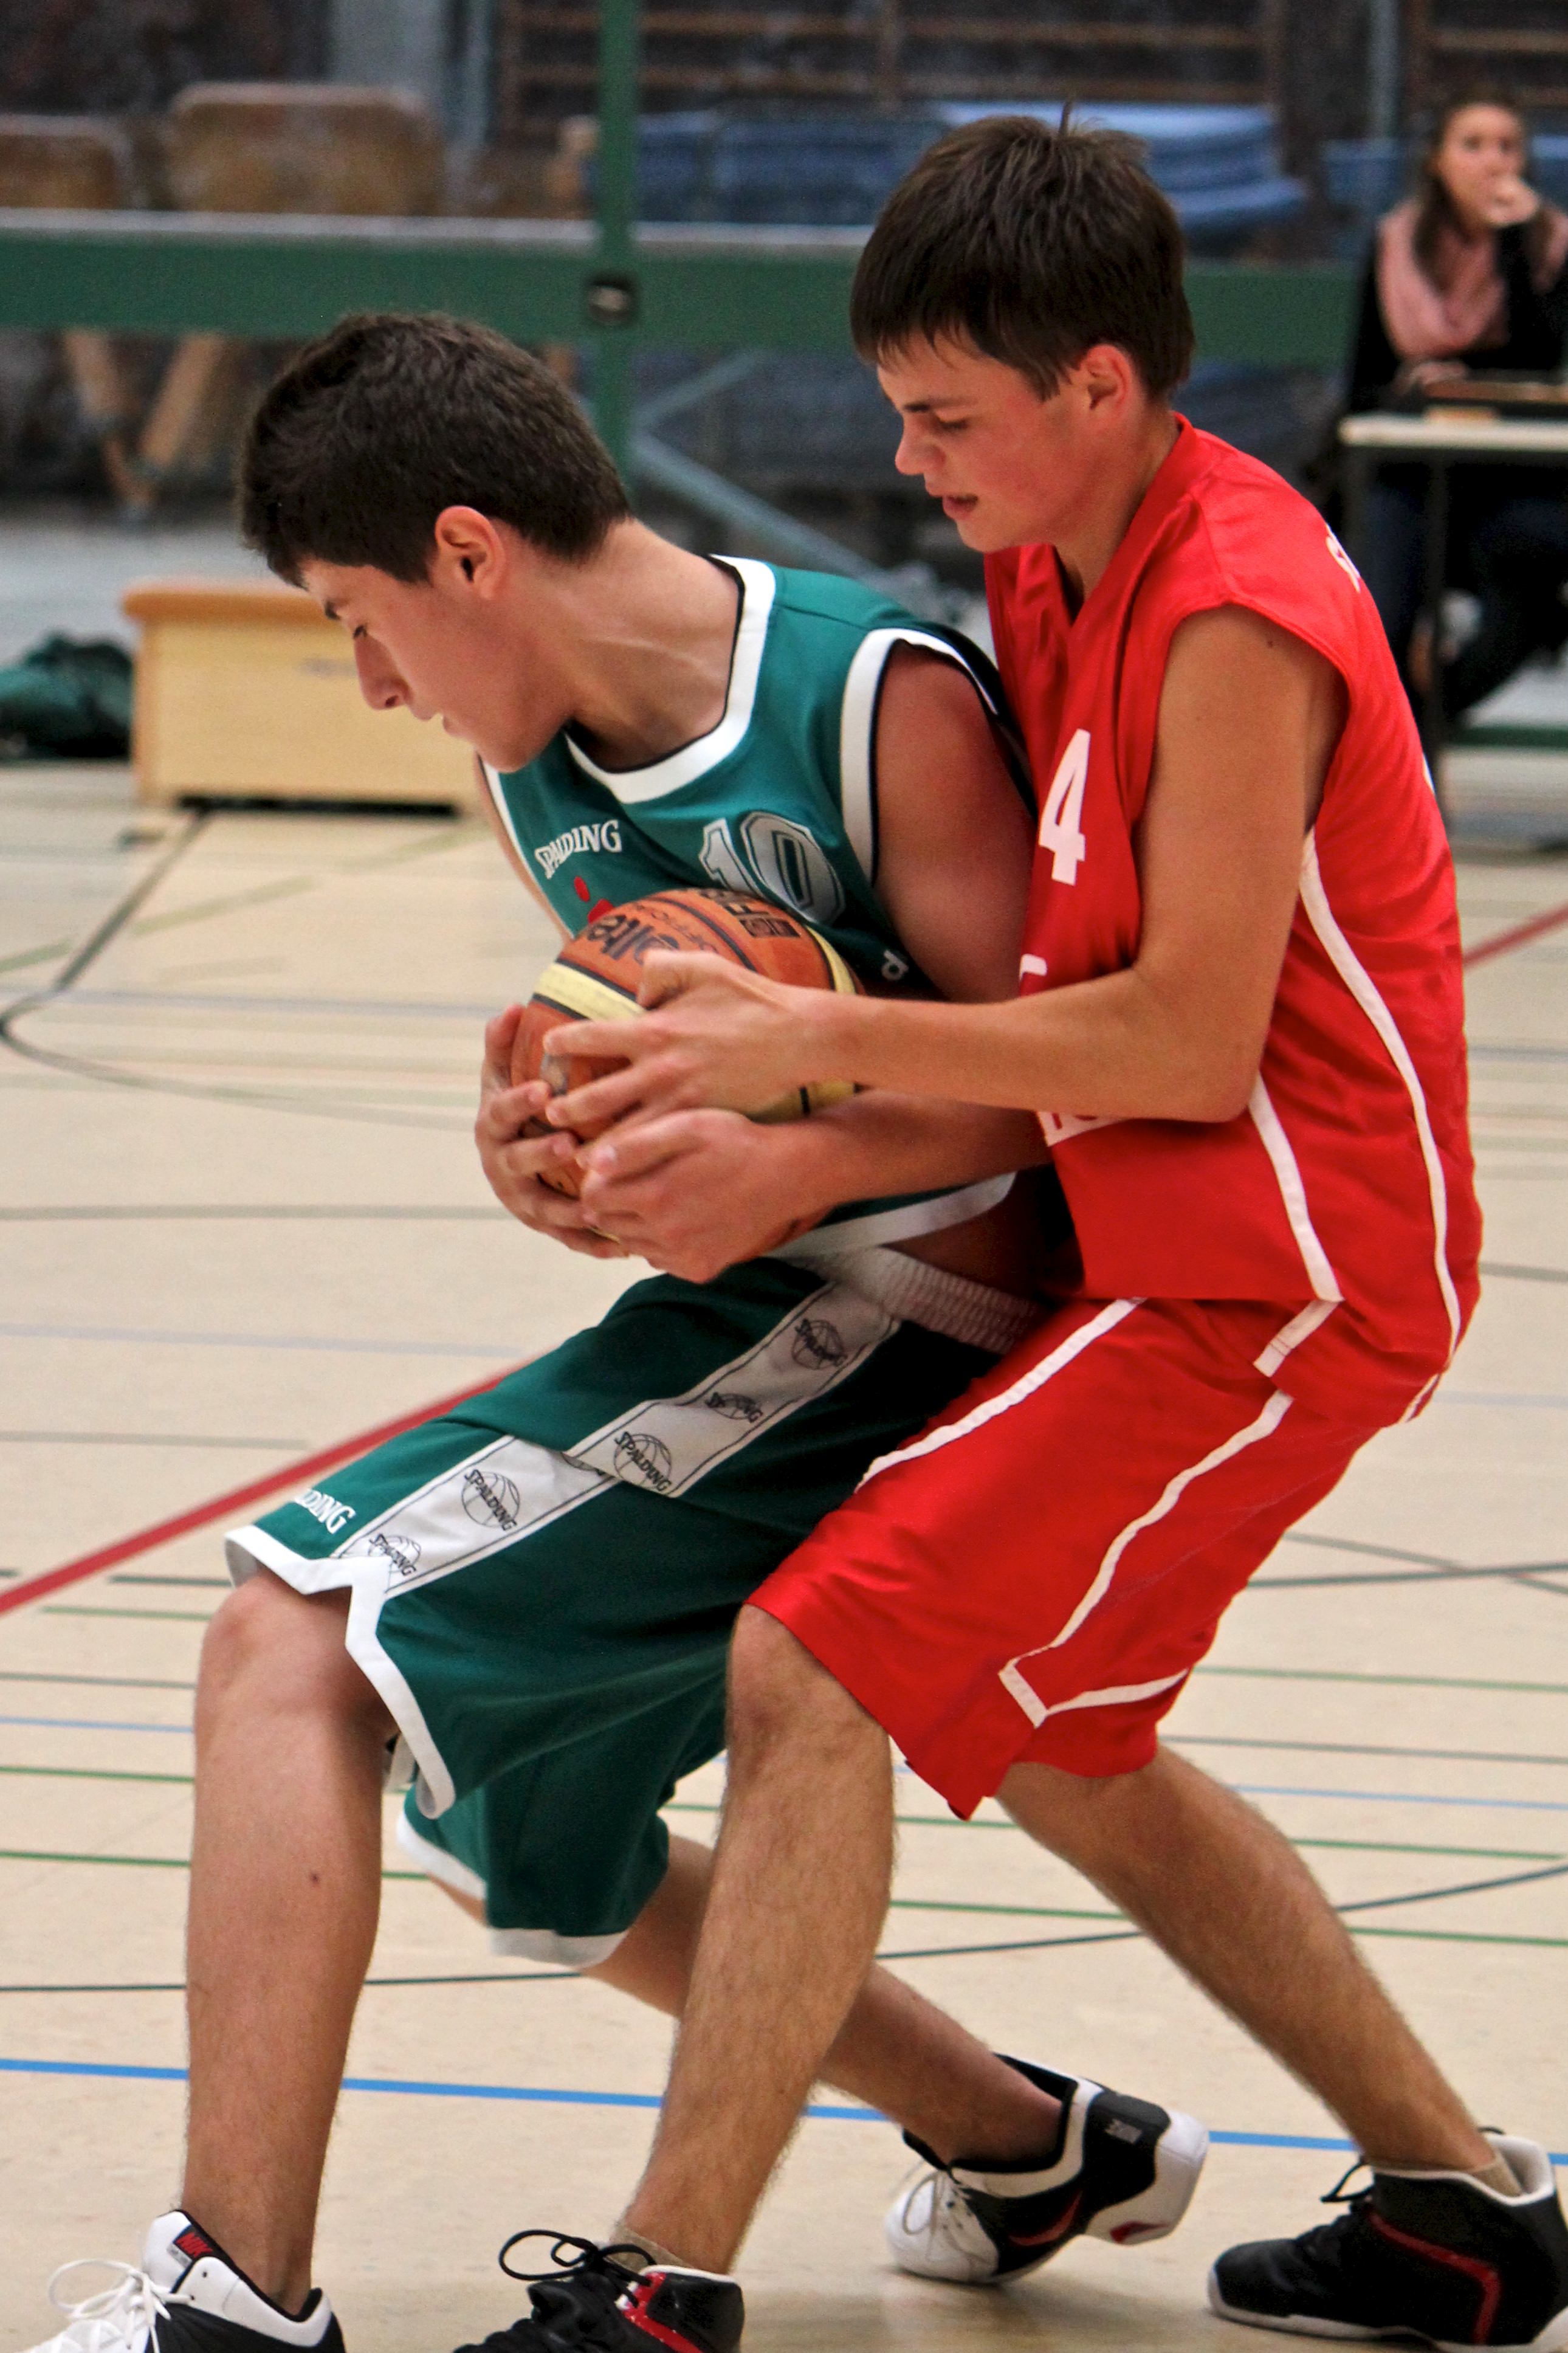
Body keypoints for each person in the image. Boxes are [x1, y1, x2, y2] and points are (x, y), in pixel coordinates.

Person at [15, 313, 1210, 2353]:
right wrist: (551, 1154)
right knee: (517, 1817)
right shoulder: (529, 770)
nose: (370, 681)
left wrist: (802, 1157)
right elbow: (639, 1073)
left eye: (360, 620)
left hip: (940, 1320)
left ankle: (232, 2296)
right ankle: (1028, 2142)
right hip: (772, 1305)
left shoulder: (872, 697)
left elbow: (1065, 1098)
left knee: (291, 1641)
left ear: (470, 552)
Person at [526, 117, 1568, 2351]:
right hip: (1169, 1242)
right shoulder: (1051, 556)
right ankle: (1467, 2215)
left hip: (1284, 1258)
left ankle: (660, 2287)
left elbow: (1185, 1038)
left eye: (944, 417)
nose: (908, 460)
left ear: (1098, 384)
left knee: (813, 1659)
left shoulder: (1234, 603)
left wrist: (811, 1049)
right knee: (1069, 1739)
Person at [1345, 89, 1568, 718]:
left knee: (1527, 602)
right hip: (1412, 472)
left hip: (1509, 481)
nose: (1493, 162)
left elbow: (1540, 361)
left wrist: (1512, 244)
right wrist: (1416, 387)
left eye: (1508, 146)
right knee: (1380, 616)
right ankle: (1396, 736)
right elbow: (1362, 384)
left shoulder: (1548, 244)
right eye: (1472, 145)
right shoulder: (1396, 245)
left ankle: (1421, 725)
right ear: (1438, 161)